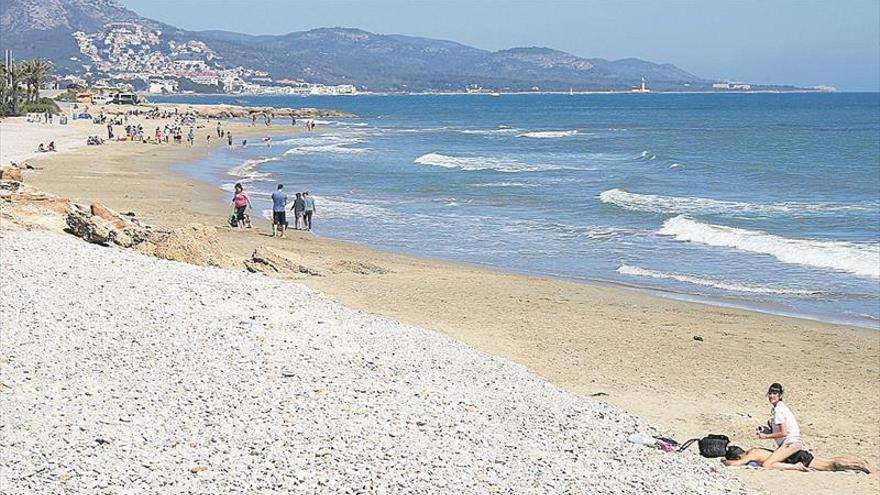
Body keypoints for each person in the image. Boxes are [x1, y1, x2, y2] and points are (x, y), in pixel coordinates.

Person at [753, 383, 805, 470]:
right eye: (770, 393)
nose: (771, 396)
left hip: (789, 443)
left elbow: (783, 433)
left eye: (774, 393)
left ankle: (796, 467)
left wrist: (766, 436)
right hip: (790, 442)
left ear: (780, 396)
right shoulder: (779, 408)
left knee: (767, 465)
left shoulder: (778, 410)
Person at [723, 445, 875, 474]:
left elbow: (736, 463)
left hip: (795, 457)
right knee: (829, 460)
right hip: (794, 454)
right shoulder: (754, 449)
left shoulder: (751, 455)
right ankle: (860, 461)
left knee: (831, 465)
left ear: (740, 455)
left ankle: (860, 464)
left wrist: (723, 462)